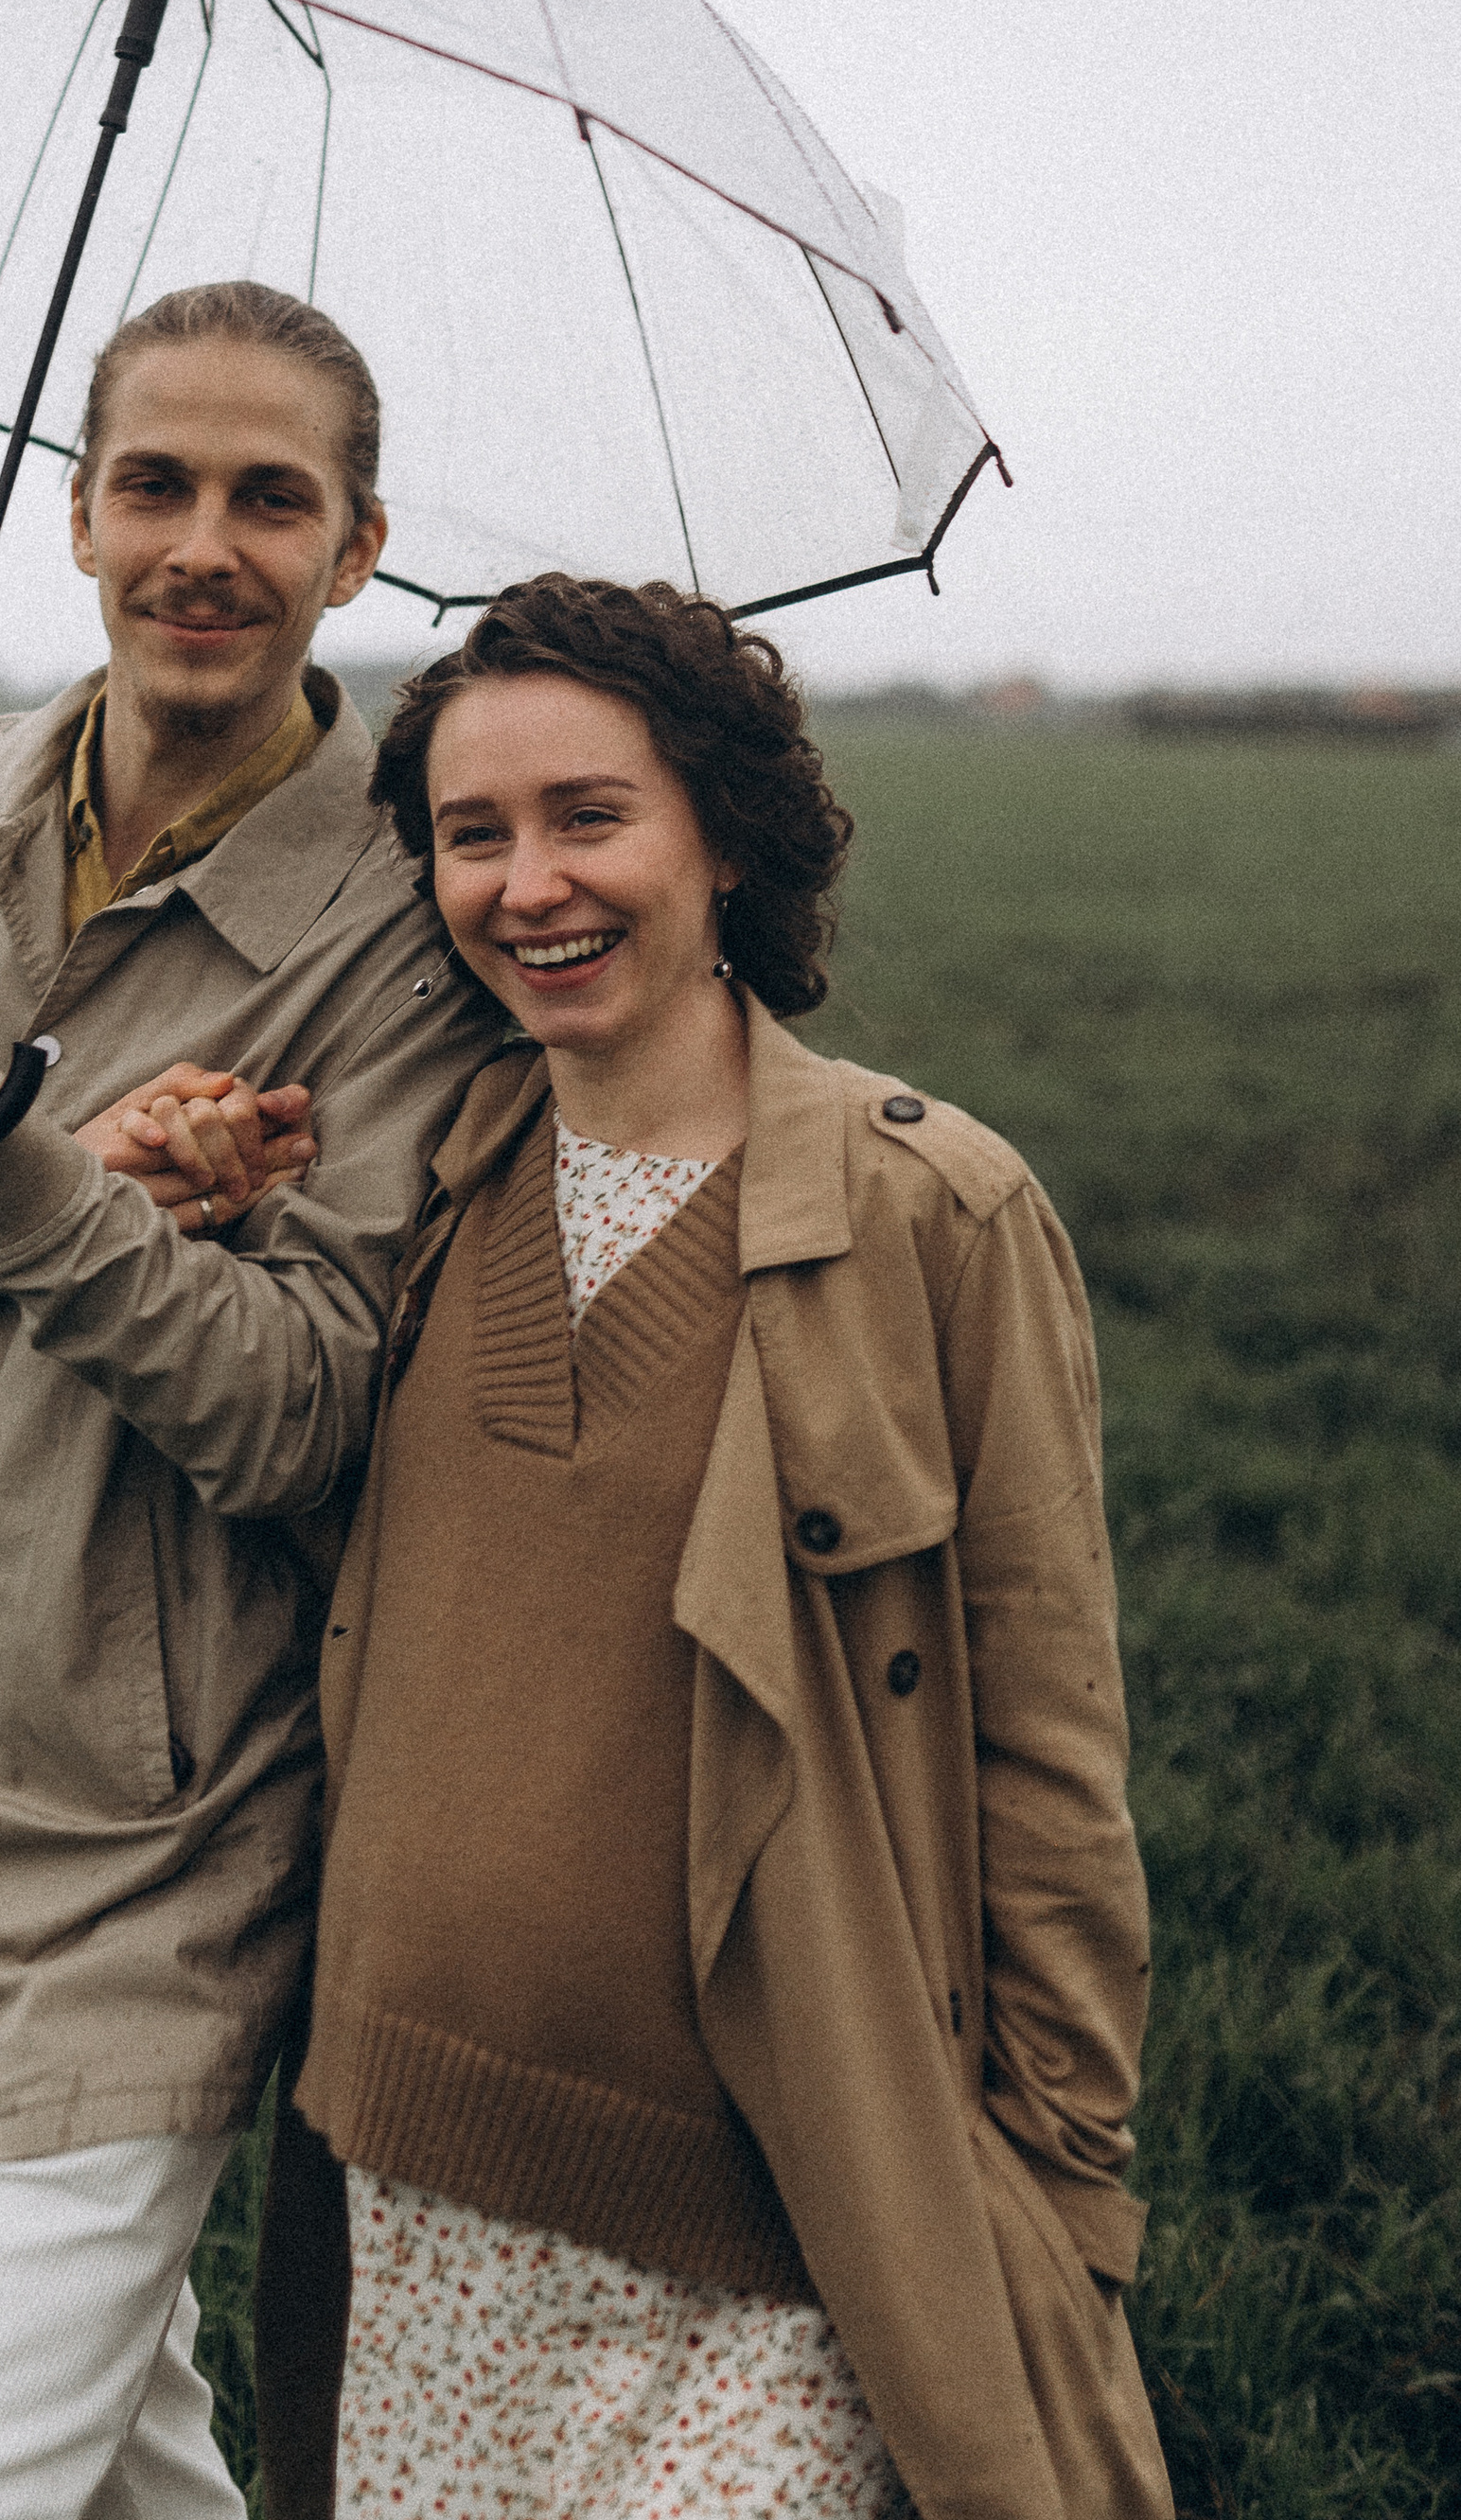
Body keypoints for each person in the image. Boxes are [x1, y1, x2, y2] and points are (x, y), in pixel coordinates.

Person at [0, 280, 502, 2520]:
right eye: (154, 481)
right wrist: (55, 1178)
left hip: (151, 1839)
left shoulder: (407, 916)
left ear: (355, 550)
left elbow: (295, 1415)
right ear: (72, 513)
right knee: (122, 2458)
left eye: (271, 496)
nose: (200, 545)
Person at [253, 573, 1173, 2520]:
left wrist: (1060, 2172)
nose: (527, 883)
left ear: (727, 833)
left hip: (771, 2213)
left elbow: (1045, 1732)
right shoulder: (425, 1175)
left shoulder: (936, 1209)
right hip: (412, 2183)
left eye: (589, 814)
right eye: (469, 834)